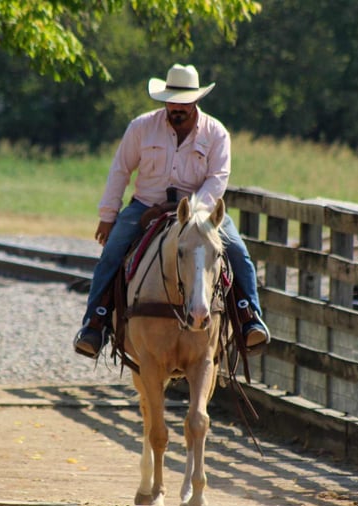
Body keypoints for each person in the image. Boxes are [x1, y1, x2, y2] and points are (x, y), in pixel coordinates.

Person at [74, 63, 270, 358]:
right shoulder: (141, 127)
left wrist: (190, 210)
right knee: (112, 252)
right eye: (172, 101)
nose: (176, 108)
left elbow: (218, 179)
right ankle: (95, 322)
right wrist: (108, 215)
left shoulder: (215, 133)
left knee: (238, 253)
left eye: (183, 102)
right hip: (145, 205)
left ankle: (248, 317)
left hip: (200, 212)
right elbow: (120, 170)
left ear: (196, 101)